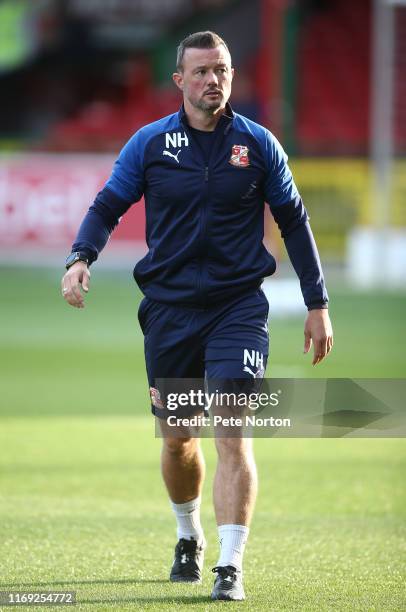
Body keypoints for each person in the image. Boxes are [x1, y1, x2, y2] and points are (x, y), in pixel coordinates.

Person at [61, 31, 333, 601]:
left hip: (238, 307)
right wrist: (81, 258)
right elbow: (108, 204)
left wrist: (317, 303)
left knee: (232, 431)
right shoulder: (150, 144)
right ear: (179, 80)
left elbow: (295, 222)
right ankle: (188, 535)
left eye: (223, 69)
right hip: (169, 311)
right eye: (203, 71)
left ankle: (230, 564)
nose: (214, 80)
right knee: (179, 438)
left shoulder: (259, 146)